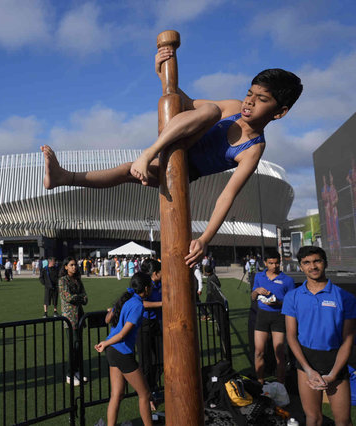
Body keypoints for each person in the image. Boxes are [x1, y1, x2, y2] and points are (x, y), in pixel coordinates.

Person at [41, 48, 302, 268]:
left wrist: (205, 239)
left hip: (185, 171)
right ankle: (145, 153)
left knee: (125, 171)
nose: (249, 102)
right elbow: (185, 102)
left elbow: (227, 195)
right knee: (211, 110)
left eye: (261, 100)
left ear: (279, 112)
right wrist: (162, 74)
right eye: (249, 93)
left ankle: (64, 178)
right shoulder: (233, 108)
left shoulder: (253, 149)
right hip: (175, 140)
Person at [282, 246, 356, 426]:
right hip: (306, 361)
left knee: (343, 421)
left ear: (325, 263)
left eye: (317, 261)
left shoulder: (345, 297)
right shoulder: (293, 296)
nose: (312, 266)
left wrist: (333, 374)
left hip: (335, 361)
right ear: (301, 267)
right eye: (306, 263)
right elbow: (291, 336)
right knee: (313, 419)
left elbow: (348, 340)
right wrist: (308, 369)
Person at [96, 273, 154, 426]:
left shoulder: (126, 298)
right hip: (120, 351)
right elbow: (122, 335)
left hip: (113, 351)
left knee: (117, 394)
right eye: (152, 286)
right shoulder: (138, 305)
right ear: (146, 288)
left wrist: (113, 310)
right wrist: (105, 343)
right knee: (145, 394)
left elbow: (107, 319)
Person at [251, 249, 295, 384]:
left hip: (279, 317)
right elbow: (253, 298)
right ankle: (260, 383)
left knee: (279, 354)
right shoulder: (259, 277)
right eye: (271, 263)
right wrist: (257, 291)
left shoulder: (287, 280)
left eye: (276, 263)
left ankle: (280, 386)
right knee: (259, 352)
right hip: (262, 316)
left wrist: (278, 302)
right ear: (265, 263)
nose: (274, 266)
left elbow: (291, 303)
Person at [58, 257, 88, 386]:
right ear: (65, 267)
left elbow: (86, 298)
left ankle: (76, 371)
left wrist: (80, 298)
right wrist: (80, 297)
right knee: (73, 346)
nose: (74, 267)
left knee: (78, 346)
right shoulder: (62, 280)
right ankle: (69, 374)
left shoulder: (78, 280)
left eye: (75, 265)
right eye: (71, 265)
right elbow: (67, 297)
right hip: (69, 317)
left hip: (79, 316)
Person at [137, 260, 163, 393]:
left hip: (156, 324)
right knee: (145, 363)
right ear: (155, 273)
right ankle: (147, 393)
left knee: (161, 359)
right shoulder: (143, 284)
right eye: (161, 271)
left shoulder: (160, 284)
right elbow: (142, 303)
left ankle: (151, 387)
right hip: (143, 325)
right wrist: (162, 303)